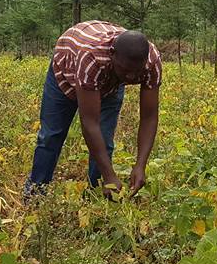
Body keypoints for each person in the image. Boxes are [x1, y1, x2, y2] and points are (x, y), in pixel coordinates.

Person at [24, 20, 161, 198]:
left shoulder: (151, 62)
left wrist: (140, 165)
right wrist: (110, 176)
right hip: (66, 68)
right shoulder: (92, 57)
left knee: (104, 139)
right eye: (126, 70)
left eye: (137, 72)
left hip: (107, 77)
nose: (131, 77)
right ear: (112, 54)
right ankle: (35, 192)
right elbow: (89, 123)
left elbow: (149, 117)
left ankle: (96, 196)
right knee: (52, 135)